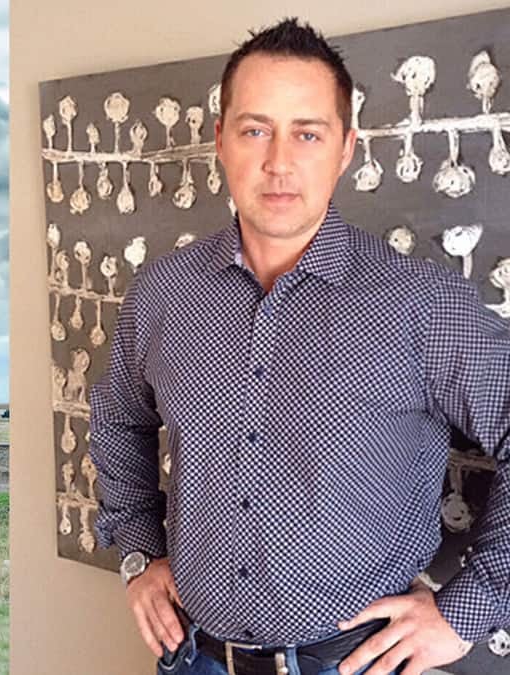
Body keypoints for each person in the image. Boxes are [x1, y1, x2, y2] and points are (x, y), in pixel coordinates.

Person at [89, 17, 509, 675]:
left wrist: (468, 608)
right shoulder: (161, 293)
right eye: (255, 129)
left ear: (345, 148)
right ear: (220, 142)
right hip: (195, 657)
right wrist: (140, 551)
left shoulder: (421, 303)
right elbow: (119, 422)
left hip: (357, 664)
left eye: (307, 133)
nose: (278, 161)